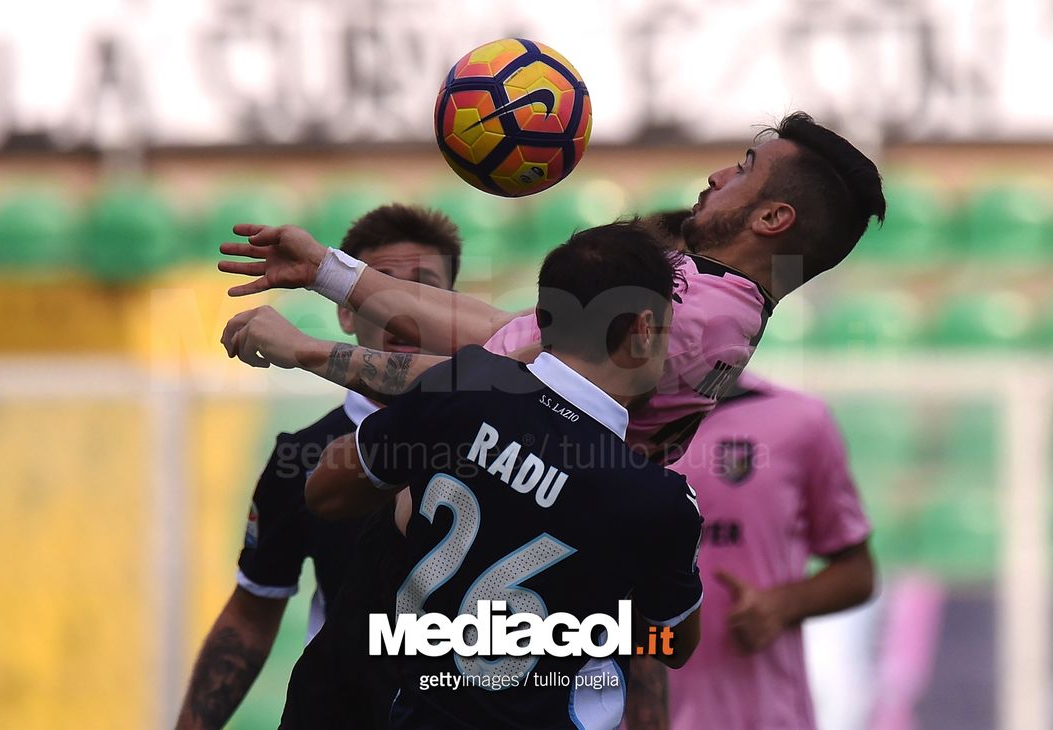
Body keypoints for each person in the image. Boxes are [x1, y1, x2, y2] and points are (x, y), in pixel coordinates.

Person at [218, 112, 886, 464]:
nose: (715, 175)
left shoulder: (685, 317)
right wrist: (328, 273)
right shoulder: (704, 294)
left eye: (742, 171)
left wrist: (303, 351)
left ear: (773, 219)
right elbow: (497, 335)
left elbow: (485, 393)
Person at [300, 222, 704, 730]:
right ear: (644, 329)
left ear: (542, 319)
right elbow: (674, 644)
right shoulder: (659, 499)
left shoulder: (463, 382)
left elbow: (324, 492)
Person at [174, 204, 463, 730]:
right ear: (346, 312)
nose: (399, 309)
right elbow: (252, 610)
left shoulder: (510, 434)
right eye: (380, 288)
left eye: (423, 290)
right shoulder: (301, 455)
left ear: (454, 312)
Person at [624, 372, 876, 730]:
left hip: (763, 716)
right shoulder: (603, 420)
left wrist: (783, 604)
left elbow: (858, 572)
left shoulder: (799, 419)